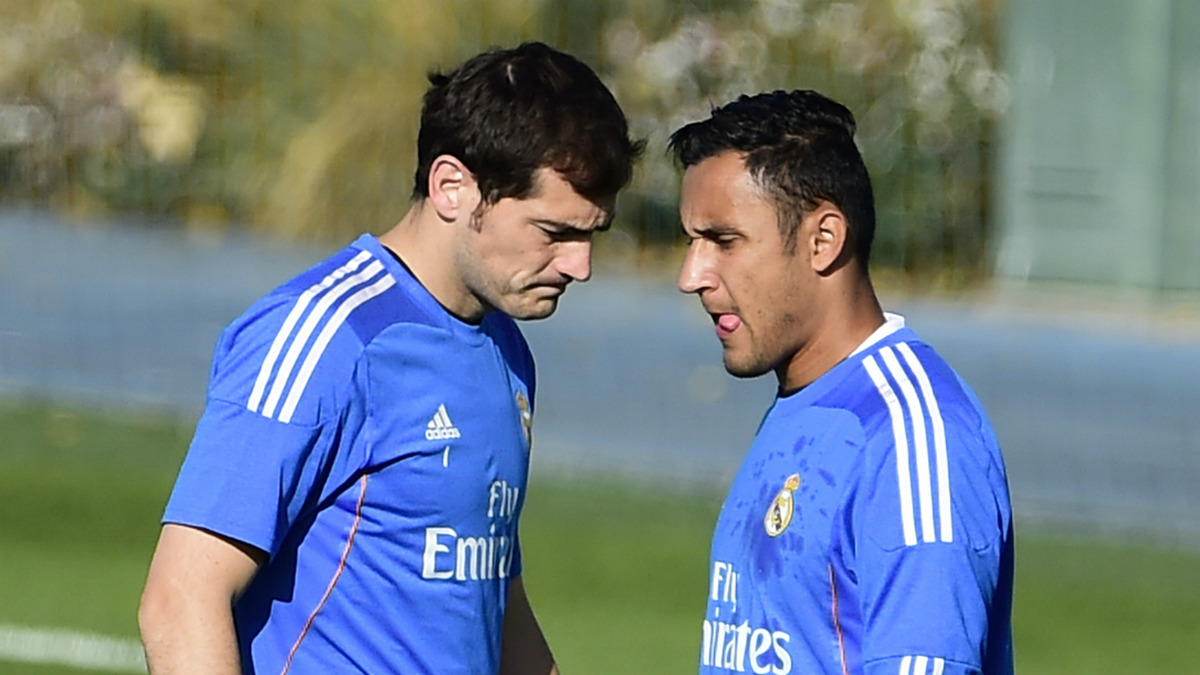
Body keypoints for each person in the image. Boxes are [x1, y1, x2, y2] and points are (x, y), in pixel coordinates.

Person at [138, 41, 642, 675]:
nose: (580, 265)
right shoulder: (325, 337)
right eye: (554, 232)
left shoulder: (506, 349)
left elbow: (492, 592)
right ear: (452, 187)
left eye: (591, 234)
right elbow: (181, 599)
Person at [669, 90, 1013, 675]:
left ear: (823, 240)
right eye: (691, 242)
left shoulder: (908, 434)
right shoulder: (807, 402)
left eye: (723, 242)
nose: (691, 275)